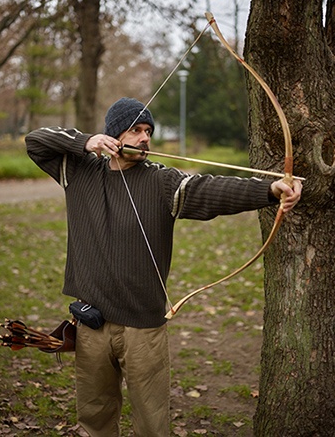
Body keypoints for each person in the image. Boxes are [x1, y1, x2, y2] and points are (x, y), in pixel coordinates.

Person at [25, 97, 302, 437]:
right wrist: (83, 141)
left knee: (152, 423)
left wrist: (269, 190)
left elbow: (211, 190)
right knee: (94, 418)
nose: (144, 138)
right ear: (113, 135)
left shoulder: (161, 182)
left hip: (143, 328)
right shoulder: (79, 171)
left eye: (148, 131)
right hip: (90, 323)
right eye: (135, 130)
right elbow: (35, 141)